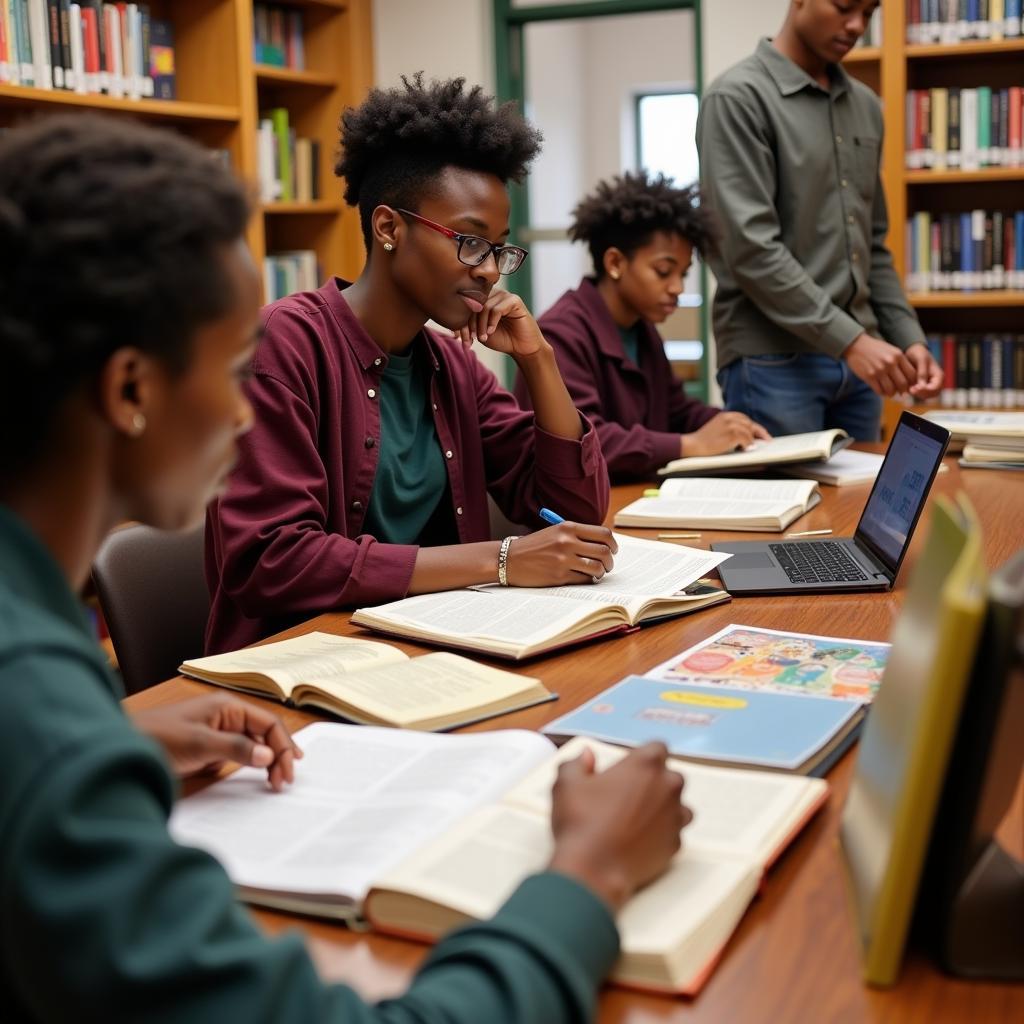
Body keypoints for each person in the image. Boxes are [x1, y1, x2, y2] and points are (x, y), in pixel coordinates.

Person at [0, 113, 692, 1022]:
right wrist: (589, 873)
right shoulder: (33, 703)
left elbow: (562, 485)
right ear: (131, 389)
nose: (245, 413)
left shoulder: (41, 664)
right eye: (232, 365)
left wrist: (113, 746)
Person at [205, 74, 615, 654]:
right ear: (389, 227)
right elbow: (273, 561)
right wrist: (498, 560)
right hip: (302, 662)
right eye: (470, 241)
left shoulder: (450, 363)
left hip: (431, 647)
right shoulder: (284, 343)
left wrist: (539, 361)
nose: (490, 270)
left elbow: (571, 512)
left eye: (499, 248)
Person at [697, 0, 943, 441]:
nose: (856, 26)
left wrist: (909, 337)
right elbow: (750, 249)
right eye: (845, 7)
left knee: (866, 511)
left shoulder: (866, 106)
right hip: (773, 362)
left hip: (861, 363)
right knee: (788, 509)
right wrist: (851, 342)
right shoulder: (736, 98)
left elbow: (873, 244)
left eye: (868, 14)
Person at [514, 171, 770, 481]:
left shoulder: (641, 329)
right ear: (615, 264)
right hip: (577, 515)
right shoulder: (560, 333)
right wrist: (689, 445)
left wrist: (731, 425)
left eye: (684, 273)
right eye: (664, 271)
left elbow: (676, 411)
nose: (677, 287)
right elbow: (584, 440)